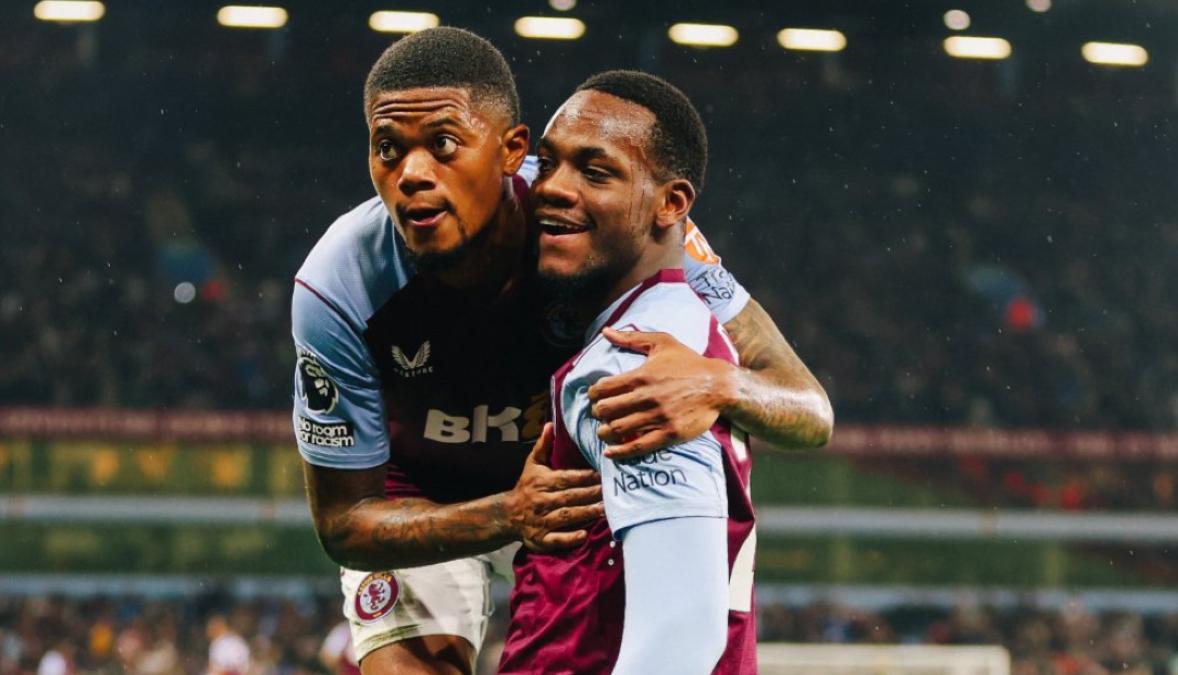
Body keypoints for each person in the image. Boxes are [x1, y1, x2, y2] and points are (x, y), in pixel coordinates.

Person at [292, 27, 832, 675]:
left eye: (442, 146)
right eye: (387, 149)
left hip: (575, 503)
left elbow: (808, 409)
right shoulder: (338, 283)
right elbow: (344, 522)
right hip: (429, 509)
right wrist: (508, 512)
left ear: (510, 151)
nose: (411, 175)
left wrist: (722, 384)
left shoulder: (606, 219)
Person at [498, 70, 755, 674]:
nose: (553, 188)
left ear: (672, 205)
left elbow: (679, 638)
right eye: (549, 162)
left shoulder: (636, 363)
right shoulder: (679, 332)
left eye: (596, 171)